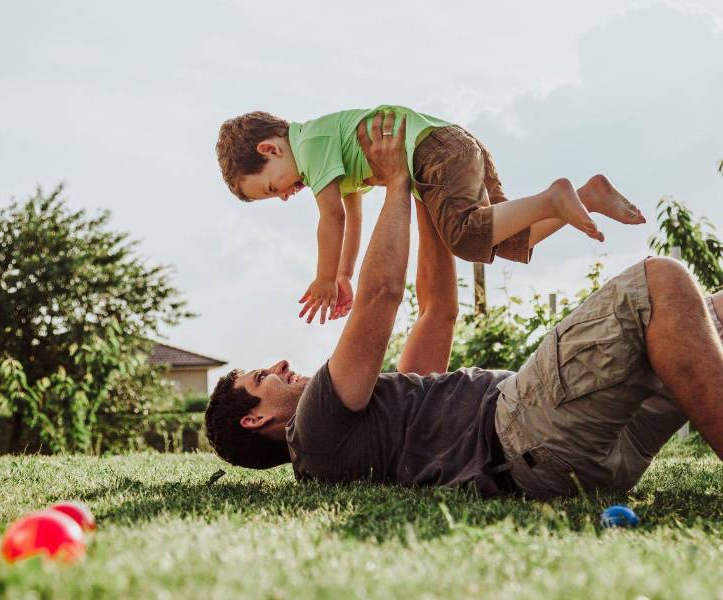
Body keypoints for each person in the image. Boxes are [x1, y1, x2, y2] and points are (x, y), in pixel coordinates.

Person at [205, 113, 723, 499]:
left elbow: (436, 311)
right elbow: (381, 297)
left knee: (713, 310)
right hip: (532, 437)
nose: (277, 366)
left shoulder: (371, 429)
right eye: (259, 378)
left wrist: (425, 195)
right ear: (255, 420)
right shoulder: (314, 426)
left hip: (589, 449)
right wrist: (396, 181)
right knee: (662, 281)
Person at [215, 106, 645, 324]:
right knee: (504, 238)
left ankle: (554, 198)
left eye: (274, 186)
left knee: (463, 237)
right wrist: (344, 274)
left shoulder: (310, 144)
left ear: (270, 150)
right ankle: (588, 196)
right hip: (455, 144)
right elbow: (353, 215)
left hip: (436, 152)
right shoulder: (326, 155)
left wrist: (325, 278)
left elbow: (331, 219)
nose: (286, 195)